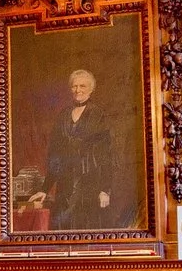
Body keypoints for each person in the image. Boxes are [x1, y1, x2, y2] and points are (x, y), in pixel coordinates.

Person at [30, 67, 130, 229]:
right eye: (74, 86)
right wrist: (44, 189)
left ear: (91, 89)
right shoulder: (63, 115)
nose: (78, 90)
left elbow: (107, 155)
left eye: (82, 86)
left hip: (90, 183)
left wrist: (105, 190)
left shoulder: (98, 115)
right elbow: (55, 156)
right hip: (65, 184)